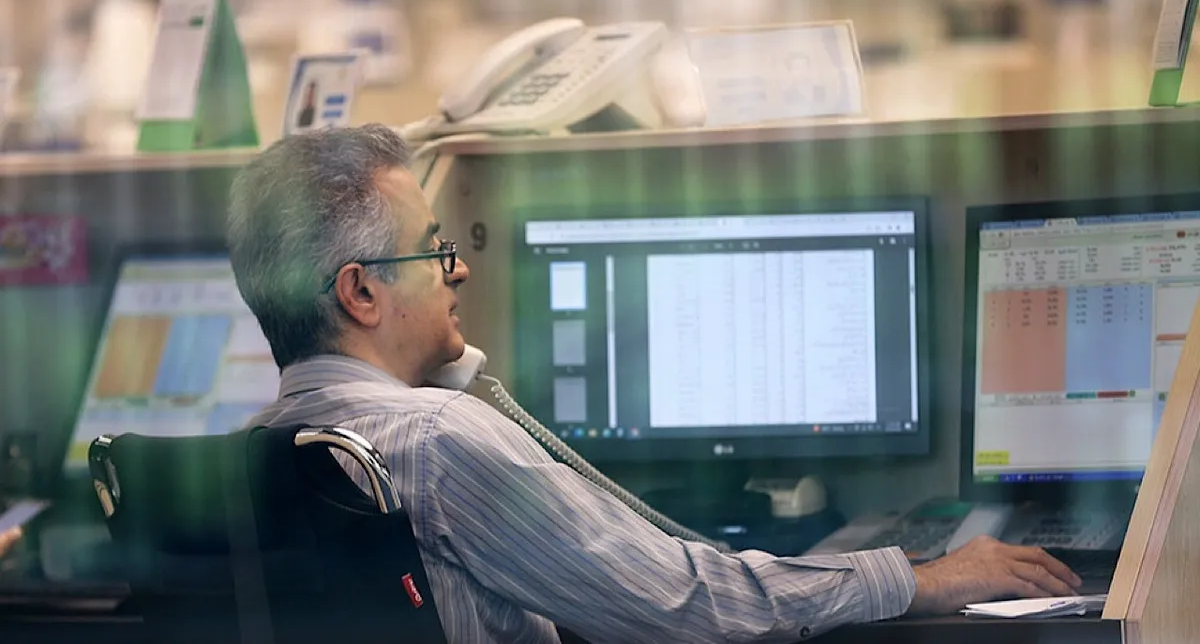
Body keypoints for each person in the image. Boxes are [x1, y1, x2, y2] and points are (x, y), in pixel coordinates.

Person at [227, 124, 1081, 644]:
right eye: (434, 248)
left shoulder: (259, 457)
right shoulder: (439, 440)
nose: (459, 269)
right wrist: (918, 577)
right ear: (360, 292)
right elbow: (684, 604)